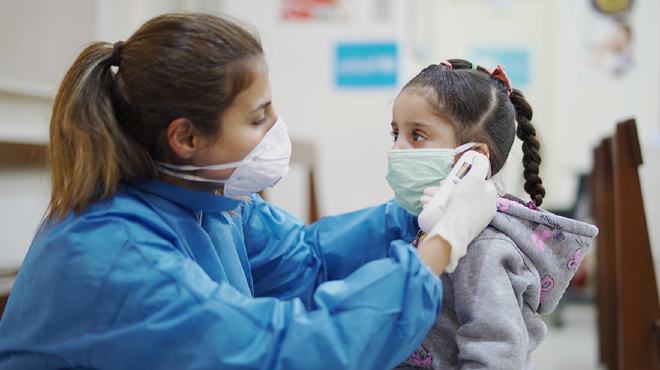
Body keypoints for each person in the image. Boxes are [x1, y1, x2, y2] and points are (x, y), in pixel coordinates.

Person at [0, 15, 497, 370]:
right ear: (186, 138)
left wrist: (415, 209)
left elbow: (308, 260)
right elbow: (287, 353)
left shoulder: (210, 202)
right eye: (258, 116)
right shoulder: (114, 255)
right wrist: (442, 244)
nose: (277, 127)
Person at [385, 59, 599, 369]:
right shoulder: (420, 223)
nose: (397, 149)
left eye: (417, 136)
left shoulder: (483, 247)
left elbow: (497, 353)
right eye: (395, 134)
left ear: (472, 159)